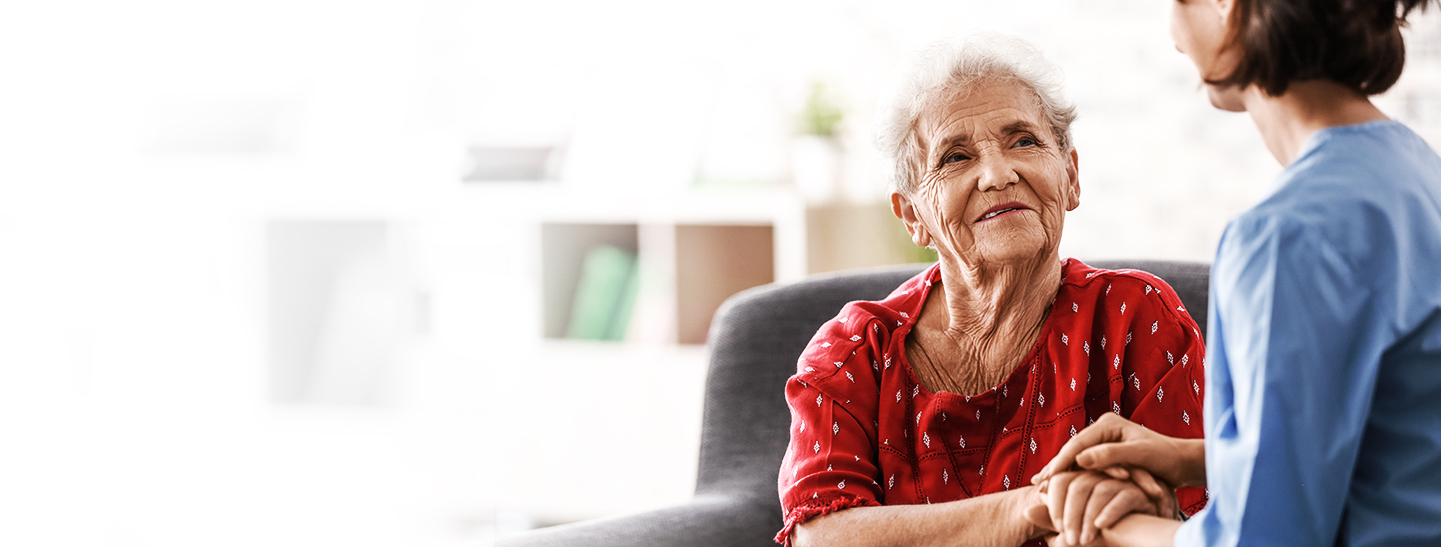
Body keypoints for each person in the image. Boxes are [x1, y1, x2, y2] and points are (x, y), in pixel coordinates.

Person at [1028, 0, 1441, 546]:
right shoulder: (1416, 170)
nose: (1172, 28)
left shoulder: (1285, 236)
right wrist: (1193, 459)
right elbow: (1386, 442)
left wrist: (1112, 529)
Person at [774, 34, 1208, 547]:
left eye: (1024, 141)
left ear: (1070, 175)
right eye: (955, 157)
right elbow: (820, 535)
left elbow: (1199, 520)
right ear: (913, 215)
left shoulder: (1135, 317)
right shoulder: (854, 353)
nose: (999, 174)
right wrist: (1032, 507)